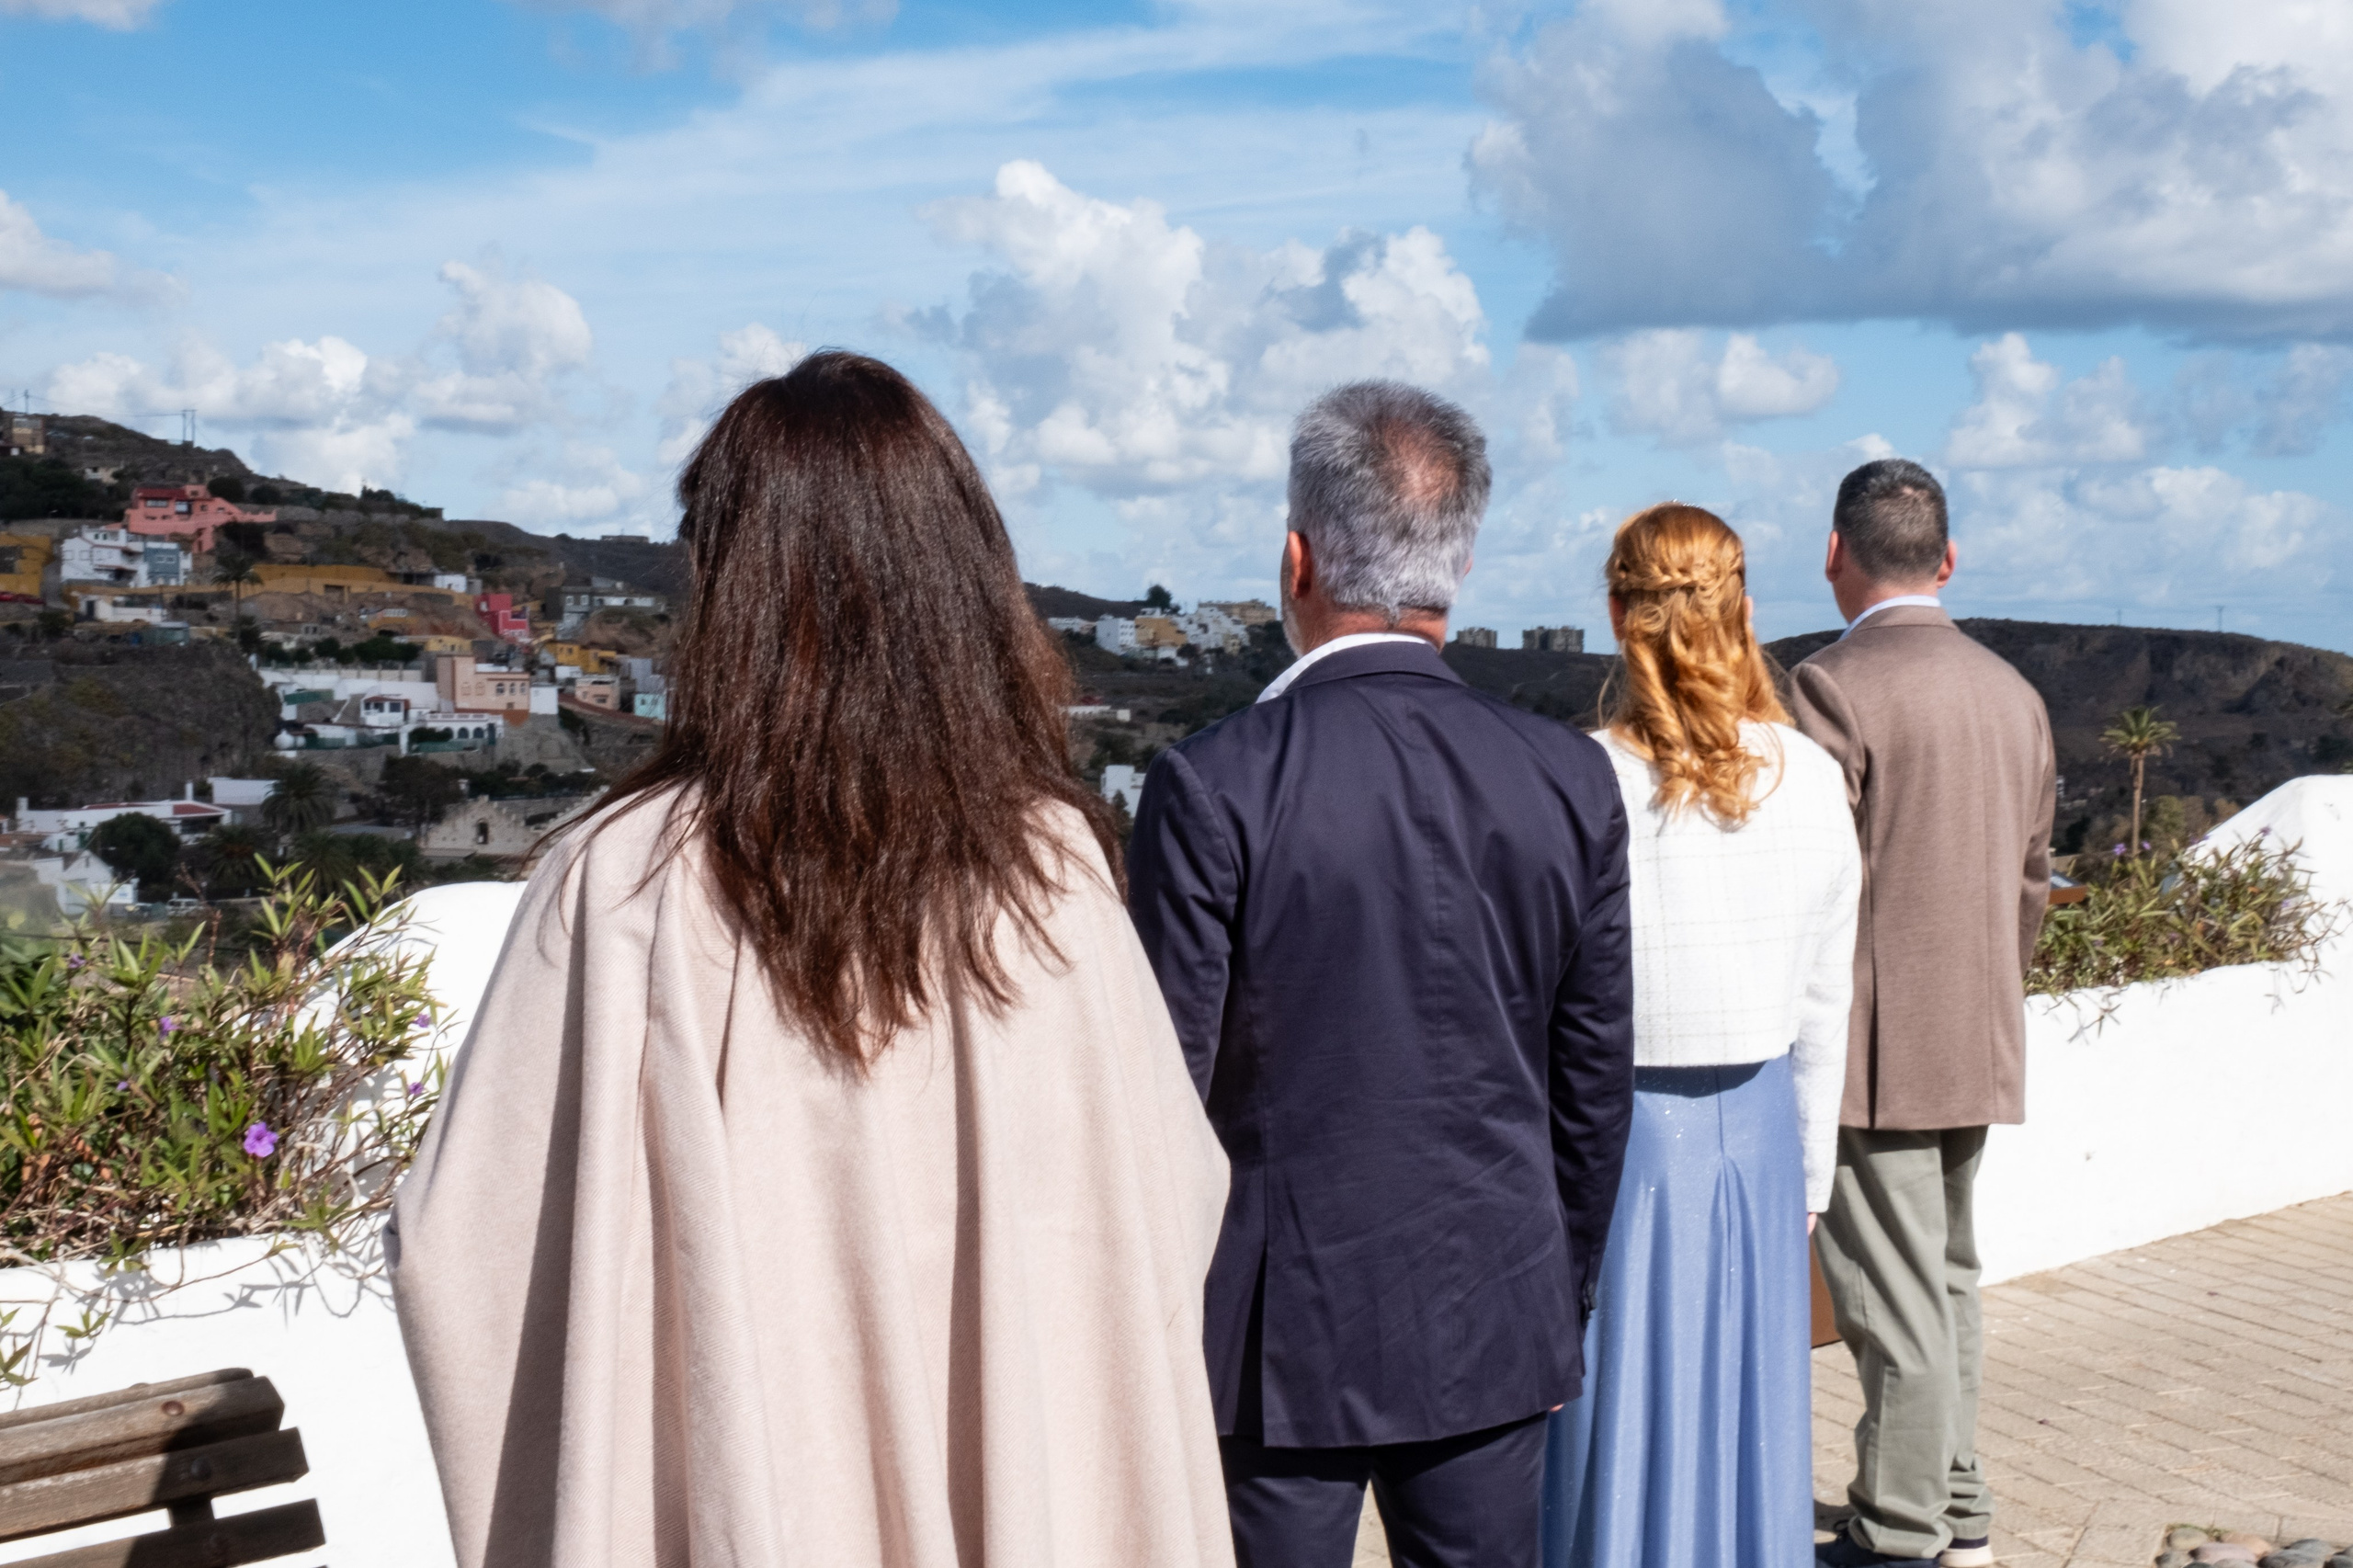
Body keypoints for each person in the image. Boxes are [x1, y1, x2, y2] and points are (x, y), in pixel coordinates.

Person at [390, 352, 1237, 1568]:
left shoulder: (623, 881)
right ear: (966, 578)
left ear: (724, 583)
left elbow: (467, 1244)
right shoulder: (1052, 870)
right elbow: (1170, 1192)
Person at [1127, 380, 1637, 1568]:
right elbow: (1592, 1080)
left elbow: (1162, 1098)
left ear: (1297, 559)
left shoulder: (1212, 782)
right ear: (1458, 566)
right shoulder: (1569, 777)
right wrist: (1556, 1285)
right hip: (1496, 1297)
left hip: (1270, 1331)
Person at [1539, 504, 1859, 1568]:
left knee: (1614, 1411)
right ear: (1744, 610)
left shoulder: (1578, 776)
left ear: (1617, 612)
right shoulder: (1809, 775)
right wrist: (1809, 1174)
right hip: (1761, 1137)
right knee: (1747, 1415)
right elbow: (1825, 1000)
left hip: (1612, 1139)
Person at [1790, 460, 2055, 1568]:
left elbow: (1807, 880)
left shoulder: (1827, 685)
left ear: (1834, 553)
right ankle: (1958, 1505)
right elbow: (2032, 880)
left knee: (1888, 1299)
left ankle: (1899, 1531)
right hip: (1975, 1030)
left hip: (1870, 1045)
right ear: (1946, 558)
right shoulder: (2014, 692)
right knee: (1946, 1278)